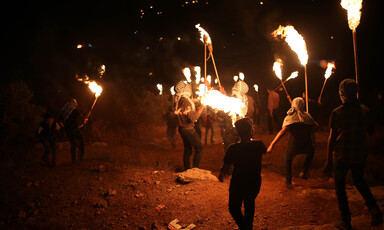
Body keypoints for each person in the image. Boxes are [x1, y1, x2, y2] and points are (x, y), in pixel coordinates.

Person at [324, 79, 382, 229]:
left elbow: (332, 138)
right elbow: (370, 130)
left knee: (340, 186)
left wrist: (328, 161)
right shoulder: (364, 110)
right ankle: (375, 210)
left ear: (342, 93)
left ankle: (346, 222)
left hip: (342, 155)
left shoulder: (337, 113)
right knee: (359, 181)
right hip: (360, 153)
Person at [219, 118, 266, 230]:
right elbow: (264, 150)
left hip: (238, 182)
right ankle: (247, 227)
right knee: (249, 204)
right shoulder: (259, 145)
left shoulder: (233, 149)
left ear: (238, 132)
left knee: (233, 207)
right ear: (251, 131)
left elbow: (226, 166)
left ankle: (245, 228)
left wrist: (222, 173)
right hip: (254, 182)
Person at [267, 97, 318, 189]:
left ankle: (288, 181)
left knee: (288, 159)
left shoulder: (291, 117)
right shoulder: (308, 117)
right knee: (311, 152)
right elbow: (316, 126)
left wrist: (272, 145)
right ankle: (303, 171)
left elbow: (282, 131)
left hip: (294, 145)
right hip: (306, 144)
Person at [174, 81, 205, 170]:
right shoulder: (185, 101)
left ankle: (187, 168)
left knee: (188, 148)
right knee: (199, 148)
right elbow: (193, 117)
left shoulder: (182, 99)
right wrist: (202, 106)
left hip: (183, 128)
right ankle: (195, 168)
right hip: (188, 129)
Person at [59, 98, 88, 163]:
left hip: (68, 131)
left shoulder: (63, 111)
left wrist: (64, 126)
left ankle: (73, 160)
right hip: (74, 129)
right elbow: (81, 117)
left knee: (73, 144)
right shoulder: (74, 111)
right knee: (81, 141)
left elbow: (60, 121)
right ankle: (81, 158)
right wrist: (85, 119)